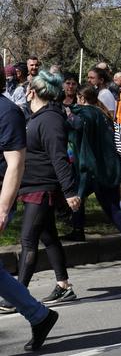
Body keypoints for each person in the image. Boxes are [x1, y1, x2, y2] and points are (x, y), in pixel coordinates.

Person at [0, 71, 82, 313]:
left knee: (28, 240)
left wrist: (69, 191)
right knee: (48, 236)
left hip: (42, 187)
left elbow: (59, 157)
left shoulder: (49, 120)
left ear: (32, 92)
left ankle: (18, 295)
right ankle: (64, 284)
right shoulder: (37, 116)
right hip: (33, 186)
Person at [0, 59, 59, 351]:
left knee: (28, 244)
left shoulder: (7, 112)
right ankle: (39, 315)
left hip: (4, 194)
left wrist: (2, 209)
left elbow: (15, 164)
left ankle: (39, 315)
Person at [63, 85, 121, 266]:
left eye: (77, 99)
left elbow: (75, 125)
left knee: (109, 206)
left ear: (82, 98)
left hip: (96, 170)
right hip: (104, 168)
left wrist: (67, 114)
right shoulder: (102, 114)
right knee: (80, 198)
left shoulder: (87, 114)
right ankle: (78, 229)